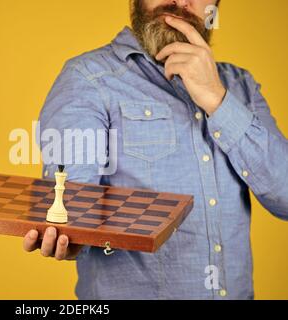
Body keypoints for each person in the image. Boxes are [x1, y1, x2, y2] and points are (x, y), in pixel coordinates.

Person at [23, 0, 288, 299]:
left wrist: (217, 100)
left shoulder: (241, 86)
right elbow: (69, 205)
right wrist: (69, 233)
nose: (179, 1)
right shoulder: (87, 78)